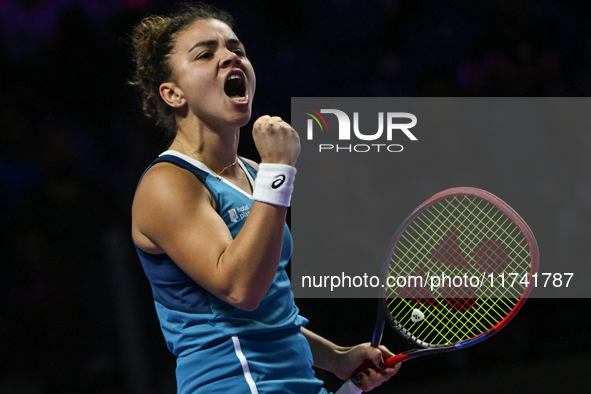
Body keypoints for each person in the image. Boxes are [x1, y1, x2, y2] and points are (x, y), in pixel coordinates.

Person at [130, 3, 400, 393]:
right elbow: (240, 289)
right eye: (206, 54)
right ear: (173, 94)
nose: (229, 57)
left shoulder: (257, 175)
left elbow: (269, 310)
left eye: (236, 49)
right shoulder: (168, 183)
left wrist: (337, 358)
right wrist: (278, 169)